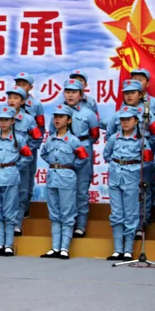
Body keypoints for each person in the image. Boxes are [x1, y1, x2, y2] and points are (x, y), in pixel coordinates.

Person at [106, 79, 155, 237]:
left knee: (144, 190)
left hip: (143, 156)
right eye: (126, 93)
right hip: (123, 162)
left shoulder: (147, 114)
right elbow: (110, 135)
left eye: (132, 93)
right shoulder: (118, 115)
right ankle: (124, 229)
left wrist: (144, 144)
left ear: (141, 94)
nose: (129, 96)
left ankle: (141, 225)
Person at [0, 107, 33, 257]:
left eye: (6, 120)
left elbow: (28, 156)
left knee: (10, 211)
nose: (3, 123)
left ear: (13, 121)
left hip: (10, 177)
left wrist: (14, 167)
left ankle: (8, 245)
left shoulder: (19, 139)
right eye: (1, 120)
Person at [51, 79, 99, 238]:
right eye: (67, 92)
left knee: (81, 189)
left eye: (74, 92)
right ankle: (67, 224)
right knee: (64, 190)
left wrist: (79, 143)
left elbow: (94, 135)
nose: (70, 95)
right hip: (64, 153)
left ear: (81, 95)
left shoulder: (88, 113)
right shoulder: (58, 113)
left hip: (83, 150)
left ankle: (81, 225)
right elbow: (53, 132)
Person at [40, 104, 89, 260]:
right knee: (54, 213)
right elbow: (43, 154)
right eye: (55, 116)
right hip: (52, 175)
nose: (57, 120)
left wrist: (70, 167)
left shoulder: (73, 140)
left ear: (69, 120)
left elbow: (83, 158)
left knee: (67, 213)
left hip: (67, 177)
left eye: (61, 117)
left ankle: (64, 248)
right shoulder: (50, 139)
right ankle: (55, 247)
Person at [104, 106, 153, 262]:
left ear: (136, 121)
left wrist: (134, 168)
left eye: (128, 119)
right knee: (116, 213)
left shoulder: (141, 139)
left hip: (132, 178)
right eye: (122, 120)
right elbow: (106, 154)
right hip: (115, 177)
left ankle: (128, 250)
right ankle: (118, 249)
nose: (125, 122)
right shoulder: (114, 138)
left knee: (131, 214)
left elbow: (148, 160)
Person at [1, 86, 42, 235]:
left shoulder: (28, 119)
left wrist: (25, 153)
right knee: (3, 193)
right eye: (10, 97)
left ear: (23, 101)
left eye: (16, 98)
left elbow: (37, 138)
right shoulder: (1, 116)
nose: (11, 101)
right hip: (4, 164)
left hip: (20, 163)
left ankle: (17, 223)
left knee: (21, 192)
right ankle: (3, 224)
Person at [13, 73, 45, 220]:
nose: (20, 86)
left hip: (28, 150)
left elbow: (40, 129)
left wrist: (30, 148)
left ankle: (24, 210)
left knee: (27, 181)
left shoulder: (36, 105)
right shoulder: (8, 106)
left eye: (24, 84)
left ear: (30, 87)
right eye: (18, 83)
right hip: (10, 152)